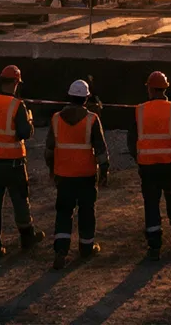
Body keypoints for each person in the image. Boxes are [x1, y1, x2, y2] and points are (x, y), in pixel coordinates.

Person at [0, 65, 41, 259]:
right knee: (20, 199)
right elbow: (24, 133)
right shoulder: (17, 105)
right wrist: (30, 122)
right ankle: (27, 236)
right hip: (13, 162)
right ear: (16, 83)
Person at [47, 79, 110, 269]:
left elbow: (49, 149)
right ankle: (86, 247)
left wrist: (52, 170)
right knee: (86, 211)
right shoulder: (91, 119)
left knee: (64, 212)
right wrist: (105, 170)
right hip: (86, 174)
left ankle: (60, 251)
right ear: (86, 98)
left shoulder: (56, 119)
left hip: (63, 174)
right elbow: (100, 149)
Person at [131, 71, 171, 261]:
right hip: (170, 165)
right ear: (165, 88)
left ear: (150, 88)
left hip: (148, 167)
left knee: (151, 204)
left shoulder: (139, 110)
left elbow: (131, 139)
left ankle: (154, 244)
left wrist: (140, 158)